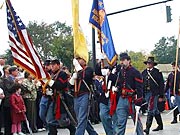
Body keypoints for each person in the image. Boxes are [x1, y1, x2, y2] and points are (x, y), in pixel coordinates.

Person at [108, 52, 144, 135]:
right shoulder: (120, 71)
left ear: (129, 61)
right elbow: (118, 81)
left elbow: (139, 88)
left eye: (123, 60)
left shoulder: (135, 72)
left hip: (132, 99)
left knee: (136, 122)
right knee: (120, 123)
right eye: (121, 60)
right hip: (122, 99)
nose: (121, 62)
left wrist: (139, 102)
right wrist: (109, 75)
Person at [46, 59, 76, 135]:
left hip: (61, 99)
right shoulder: (51, 75)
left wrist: (51, 83)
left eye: (54, 64)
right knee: (49, 119)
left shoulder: (62, 74)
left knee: (62, 121)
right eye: (51, 64)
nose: (52, 66)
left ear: (58, 65)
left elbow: (60, 86)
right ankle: (52, 133)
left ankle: (72, 128)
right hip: (52, 99)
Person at [70, 57, 98, 135]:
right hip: (76, 96)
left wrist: (77, 67)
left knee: (82, 118)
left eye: (80, 59)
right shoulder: (76, 71)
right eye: (77, 60)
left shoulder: (89, 69)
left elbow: (84, 77)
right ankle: (93, 134)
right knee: (81, 119)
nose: (78, 61)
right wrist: (73, 78)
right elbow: (69, 85)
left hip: (85, 95)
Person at [142, 57, 164, 135]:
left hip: (154, 93)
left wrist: (161, 95)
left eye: (150, 63)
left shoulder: (157, 72)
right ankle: (160, 125)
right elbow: (142, 83)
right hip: (147, 93)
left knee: (150, 109)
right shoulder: (144, 72)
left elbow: (161, 85)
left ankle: (147, 128)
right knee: (155, 109)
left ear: (153, 64)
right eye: (147, 63)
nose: (148, 64)